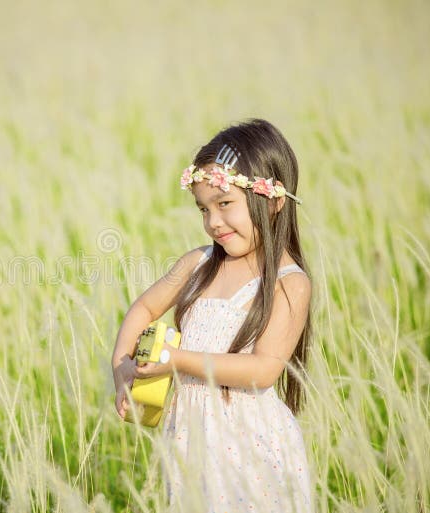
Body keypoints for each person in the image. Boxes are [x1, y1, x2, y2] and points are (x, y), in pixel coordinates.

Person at [111, 118, 314, 512]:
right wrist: (120, 364)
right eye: (203, 208)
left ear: (272, 202)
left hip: (251, 448)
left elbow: (263, 370)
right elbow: (145, 307)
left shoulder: (289, 283)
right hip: (191, 439)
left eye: (224, 205)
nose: (213, 222)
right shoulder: (196, 264)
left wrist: (177, 361)